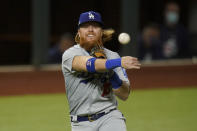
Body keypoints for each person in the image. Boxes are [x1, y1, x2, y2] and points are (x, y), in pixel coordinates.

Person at [61, 11, 141, 131]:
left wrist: (110, 72)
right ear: (79, 32)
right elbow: (90, 65)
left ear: (101, 31)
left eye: (95, 26)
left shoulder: (113, 56)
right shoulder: (70, 54)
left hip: (110, 117)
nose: (91, 29)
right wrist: (113, 64)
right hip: (80, 123)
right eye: (86, 26)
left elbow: (124, 94)